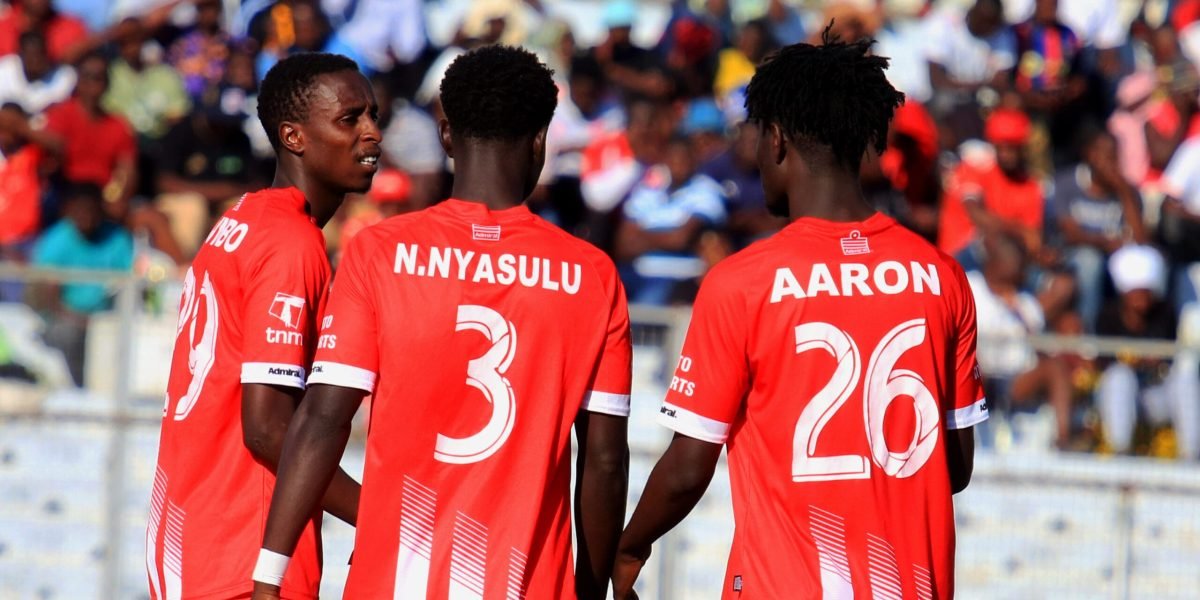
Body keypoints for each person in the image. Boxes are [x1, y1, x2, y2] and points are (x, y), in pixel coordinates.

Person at [251, 45, 632, 600]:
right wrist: (595, 592)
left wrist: (269, 578)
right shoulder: (591, 274)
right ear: (540, 140)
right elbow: (602, 460)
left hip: (394, 581)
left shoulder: (379, 251)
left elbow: (321, 420)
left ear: (446, 134)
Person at [612, 36, 987, 599]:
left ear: (778, 139)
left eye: (757, 136)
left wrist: (629, 545)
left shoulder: (743, 281)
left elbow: (690, 466)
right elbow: (953, 468)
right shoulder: (941, 275)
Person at [145, 52, 378, 599]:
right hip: (243, 551)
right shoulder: (290, 243)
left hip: (193, 538)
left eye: (373, 115)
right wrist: (381, 517)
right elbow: (269, 429)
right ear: (293, 136)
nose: (372, 133)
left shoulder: (242, 218)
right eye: (351, 119)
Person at [1096, 245, 1200, 460]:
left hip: (1154, 395)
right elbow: (1104, 364)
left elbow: (1167, 360)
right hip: (1120, 397)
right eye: (1137, 291)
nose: (1142, 297)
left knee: (1186, 379)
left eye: (1146, 291)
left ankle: (1191, 456)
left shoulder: (1164, 313)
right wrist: (1134, 361)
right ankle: (1120, 452)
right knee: (1119, 377)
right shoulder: (1107, 316)